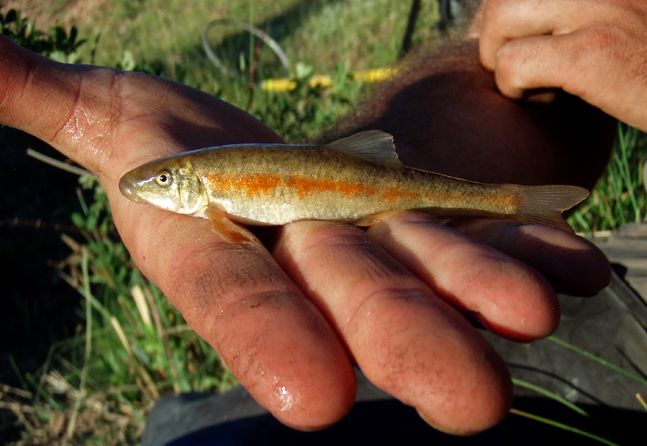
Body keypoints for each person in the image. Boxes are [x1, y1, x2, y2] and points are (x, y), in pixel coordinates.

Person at [0, 0, 643, 436]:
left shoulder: (212, 196)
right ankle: (508, 198)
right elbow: (529, 64)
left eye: (165, 181)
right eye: (164, 180)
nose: (156, 187)